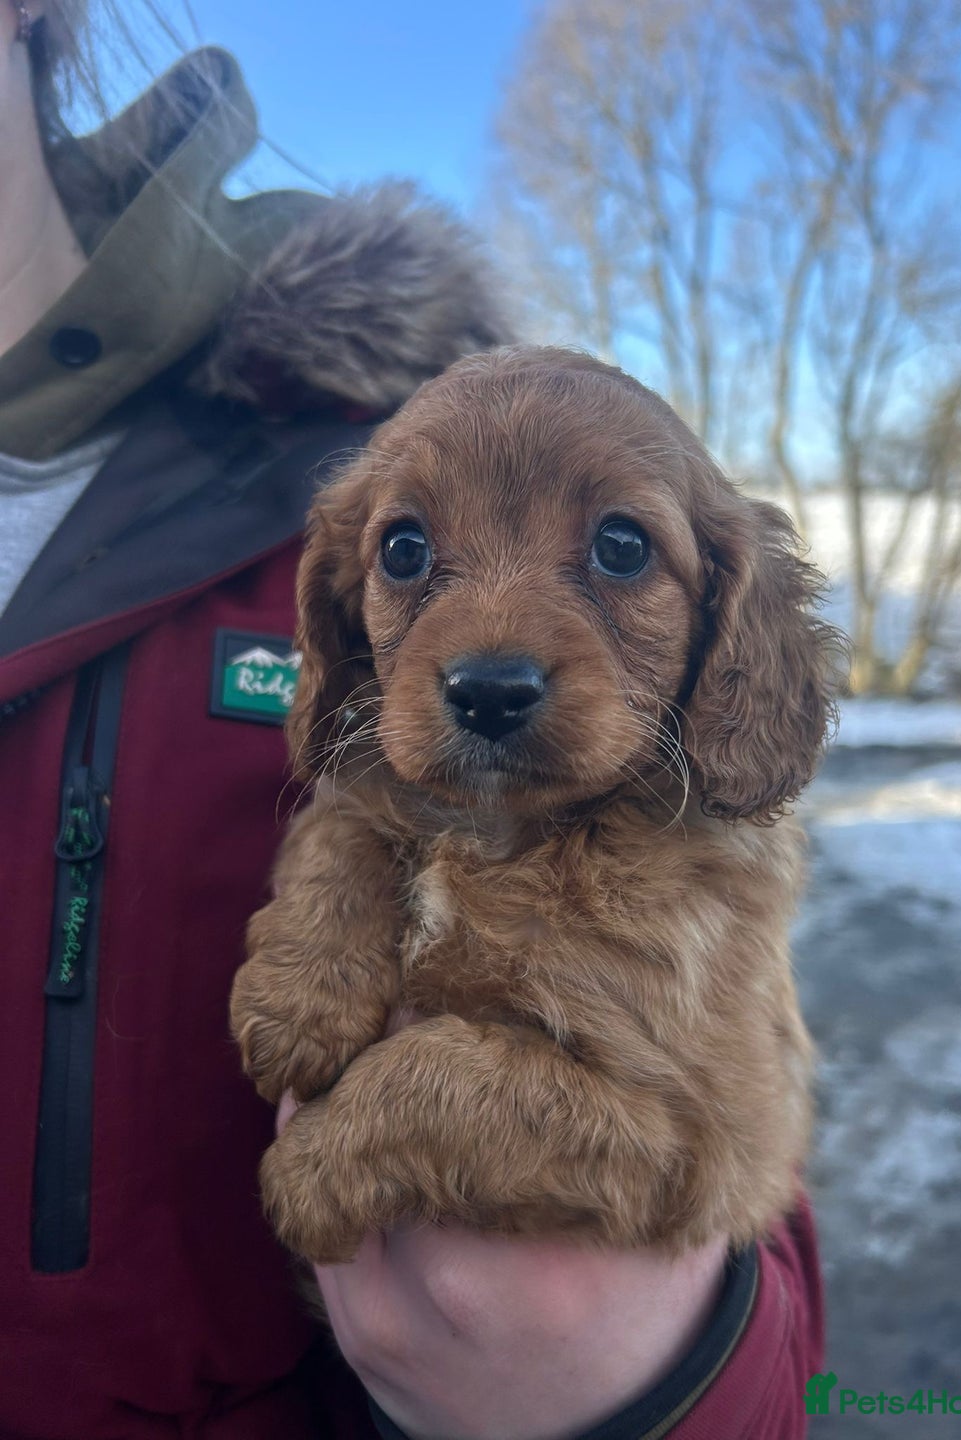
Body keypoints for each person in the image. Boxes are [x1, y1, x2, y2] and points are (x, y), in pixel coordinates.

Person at [0, 4, 825, 1437]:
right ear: (349, 598)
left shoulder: (356, 426)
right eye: (409, 559)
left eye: (618, 553)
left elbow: (745, 1194)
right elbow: (350, 792)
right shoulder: (367, 700)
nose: (492, 646)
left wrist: (652, 1385)